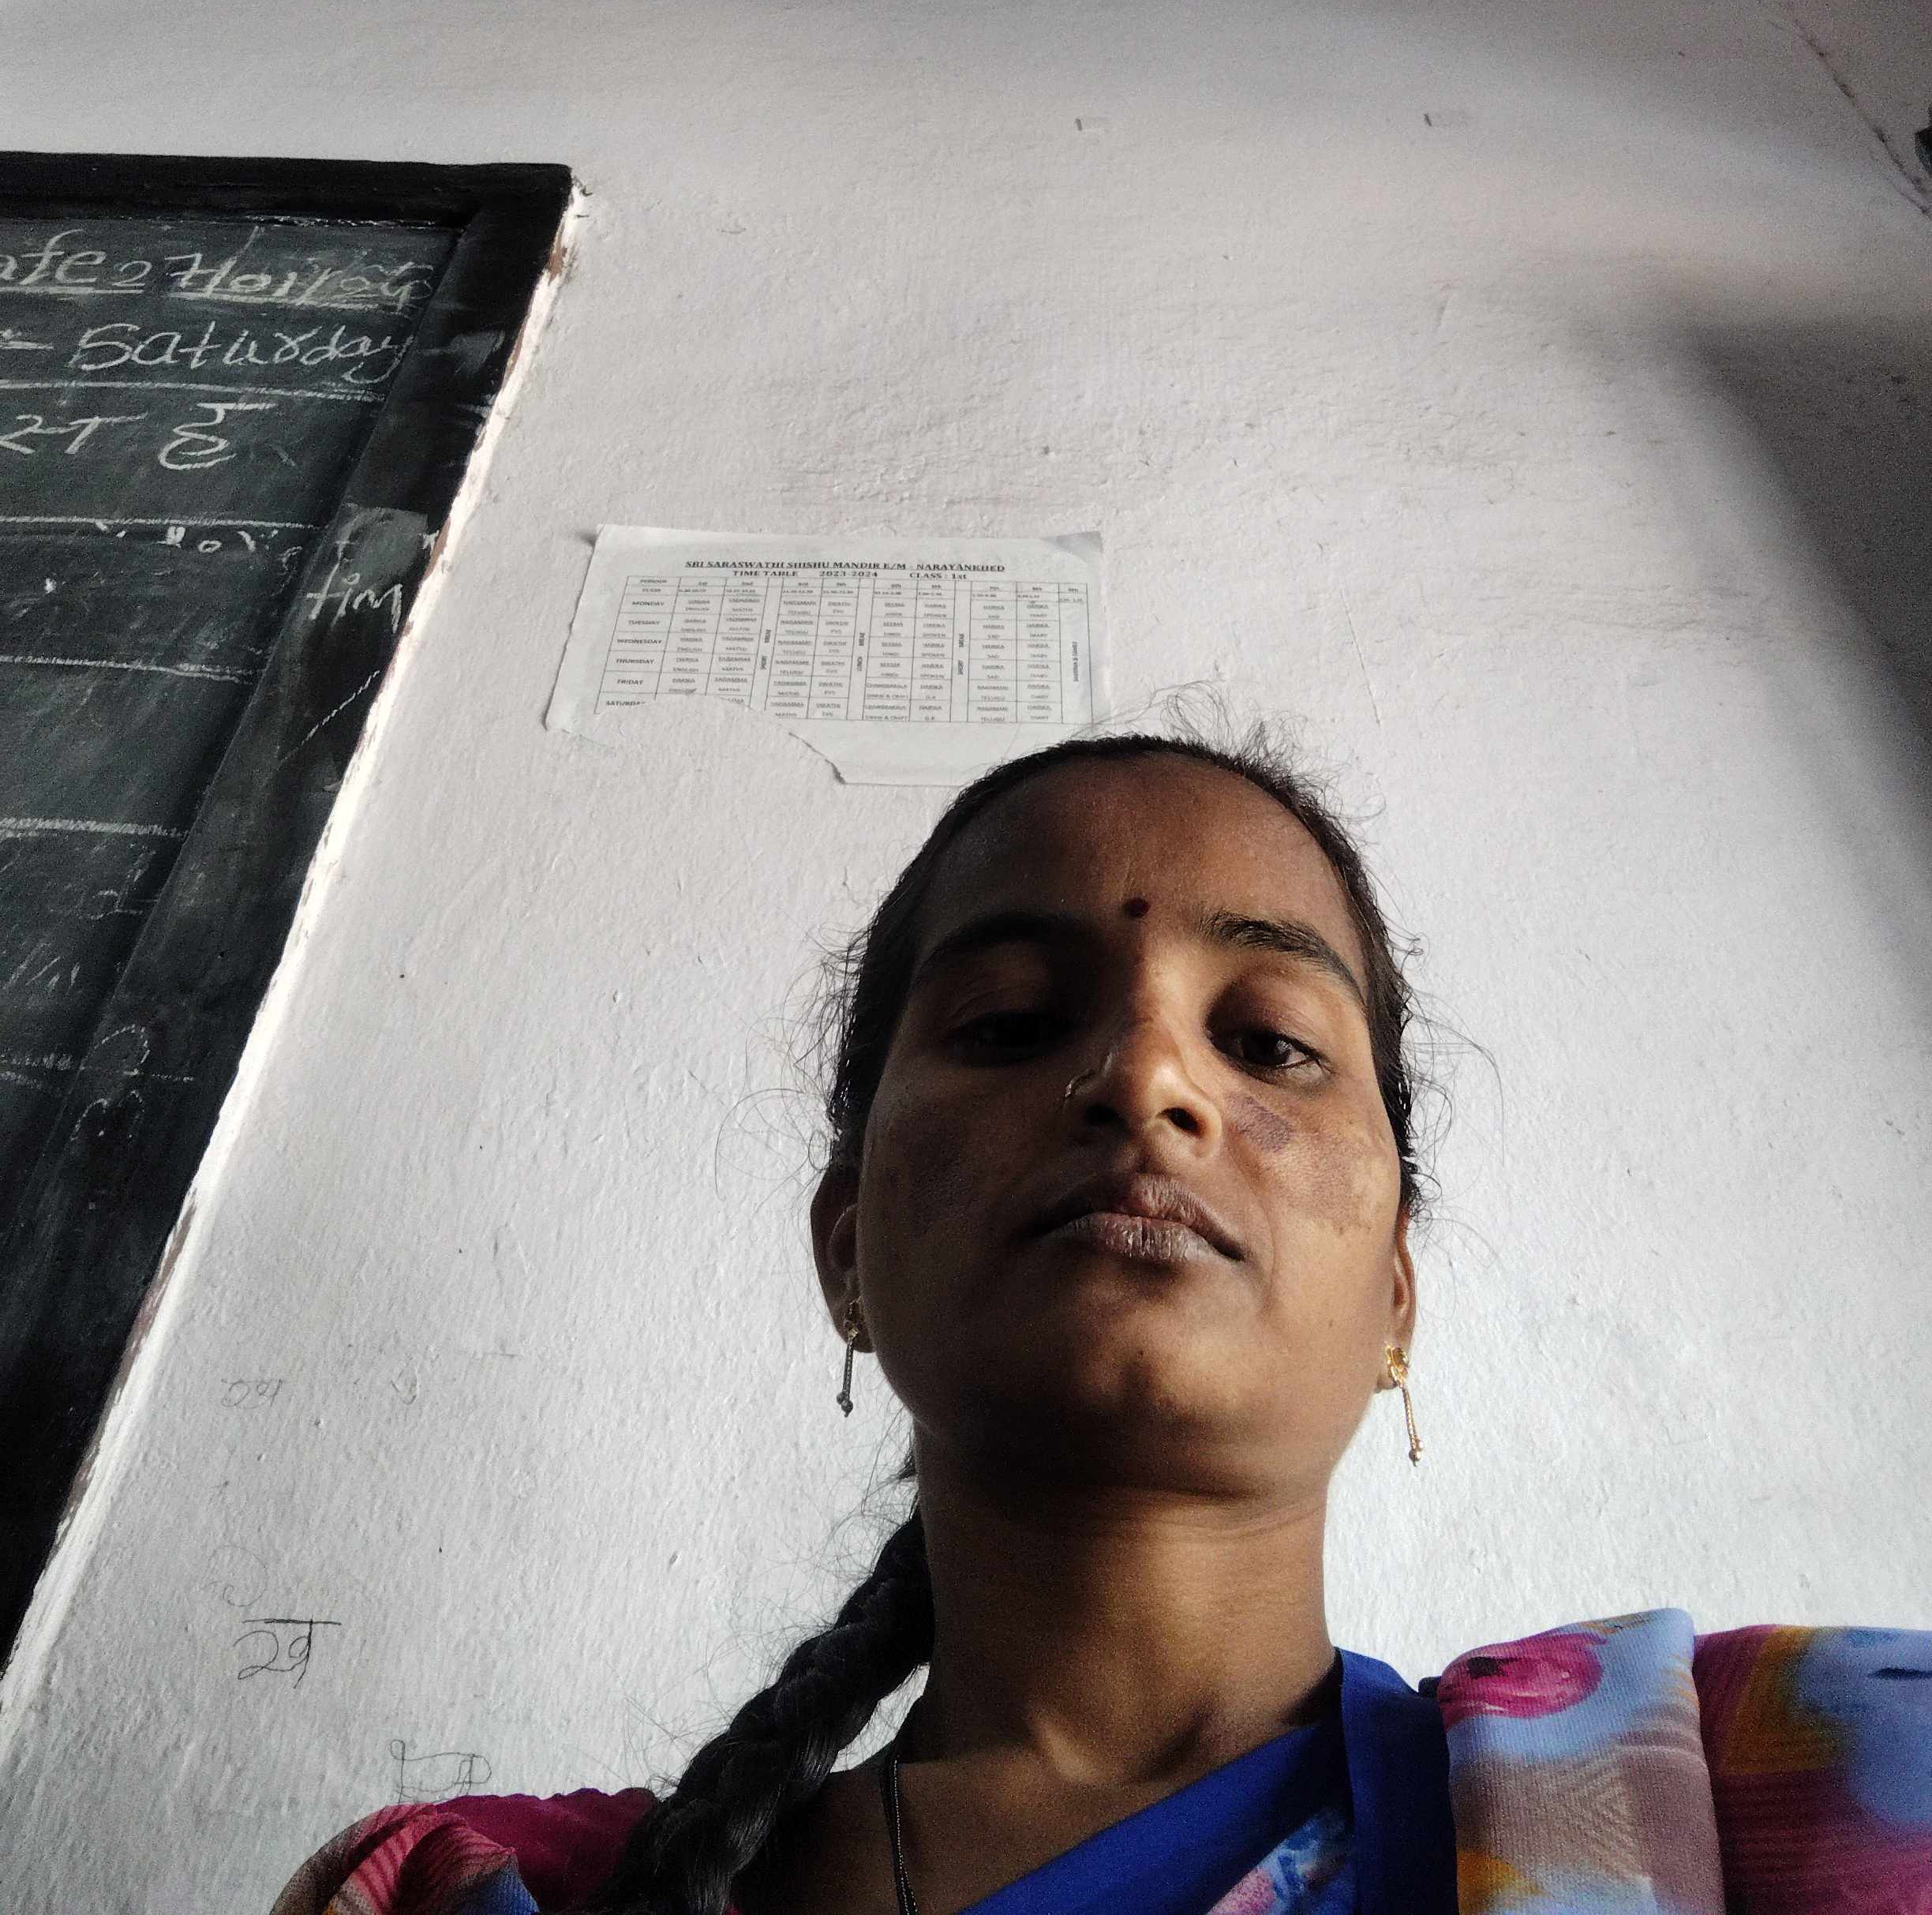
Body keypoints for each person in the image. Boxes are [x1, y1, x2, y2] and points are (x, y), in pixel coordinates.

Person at [275, 732, 1932, 1915]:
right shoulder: (469, 1897)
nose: (1145, 1075)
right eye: (1008, 1023)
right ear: (847, 1254)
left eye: (1270, 1042)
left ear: (1396, 1298)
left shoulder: (1786, 1783)